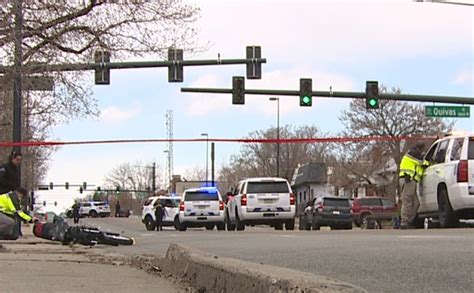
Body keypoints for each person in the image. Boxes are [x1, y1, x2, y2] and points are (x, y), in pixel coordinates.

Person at [399, 142, 426, 229]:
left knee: (416, 203)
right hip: (408, 180)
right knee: (407, 201)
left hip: (410, 181)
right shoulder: (413, 154)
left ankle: (408, 221)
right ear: (420, 149)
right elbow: (423, 163)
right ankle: (404, 222)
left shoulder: (413, 153)